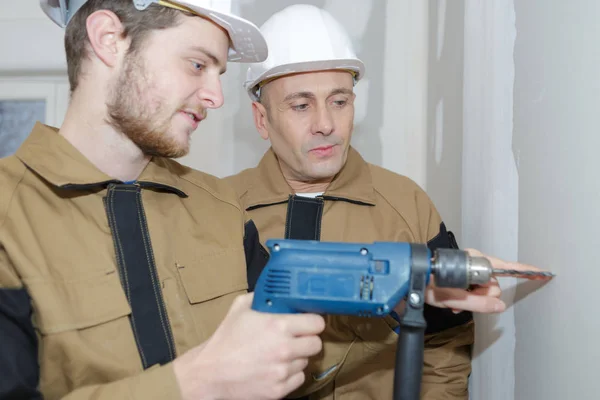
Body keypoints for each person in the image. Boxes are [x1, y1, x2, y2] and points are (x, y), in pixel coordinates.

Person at [0, 1, 327, 399]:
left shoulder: (220, 208)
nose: (215, 97)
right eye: (196, 65)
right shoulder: (9, 217)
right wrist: (196, 384)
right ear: (108, 39)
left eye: (218, 73)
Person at [225, 4, 552, 399]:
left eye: (339, 101)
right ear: (261, 119)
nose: (325, 123)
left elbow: (446, 349)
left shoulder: (406, 204)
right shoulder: (220, 211)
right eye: (301, 105)